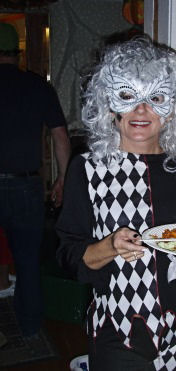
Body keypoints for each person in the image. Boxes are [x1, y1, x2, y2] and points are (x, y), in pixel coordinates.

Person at [56, 37, 176, 371]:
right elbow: (69, 256)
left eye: (155, 98)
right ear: (109, 106)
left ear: (172, 110)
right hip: (117, 331)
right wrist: (111, 246)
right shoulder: (87, 169)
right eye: (127, 97)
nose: (141, 110)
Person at [0, 22, 71, 338]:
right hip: (25, 186)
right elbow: (60, 135)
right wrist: (63, 179)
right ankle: (29, 329)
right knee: (28, 262)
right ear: (18, 52)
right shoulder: (37, 86)